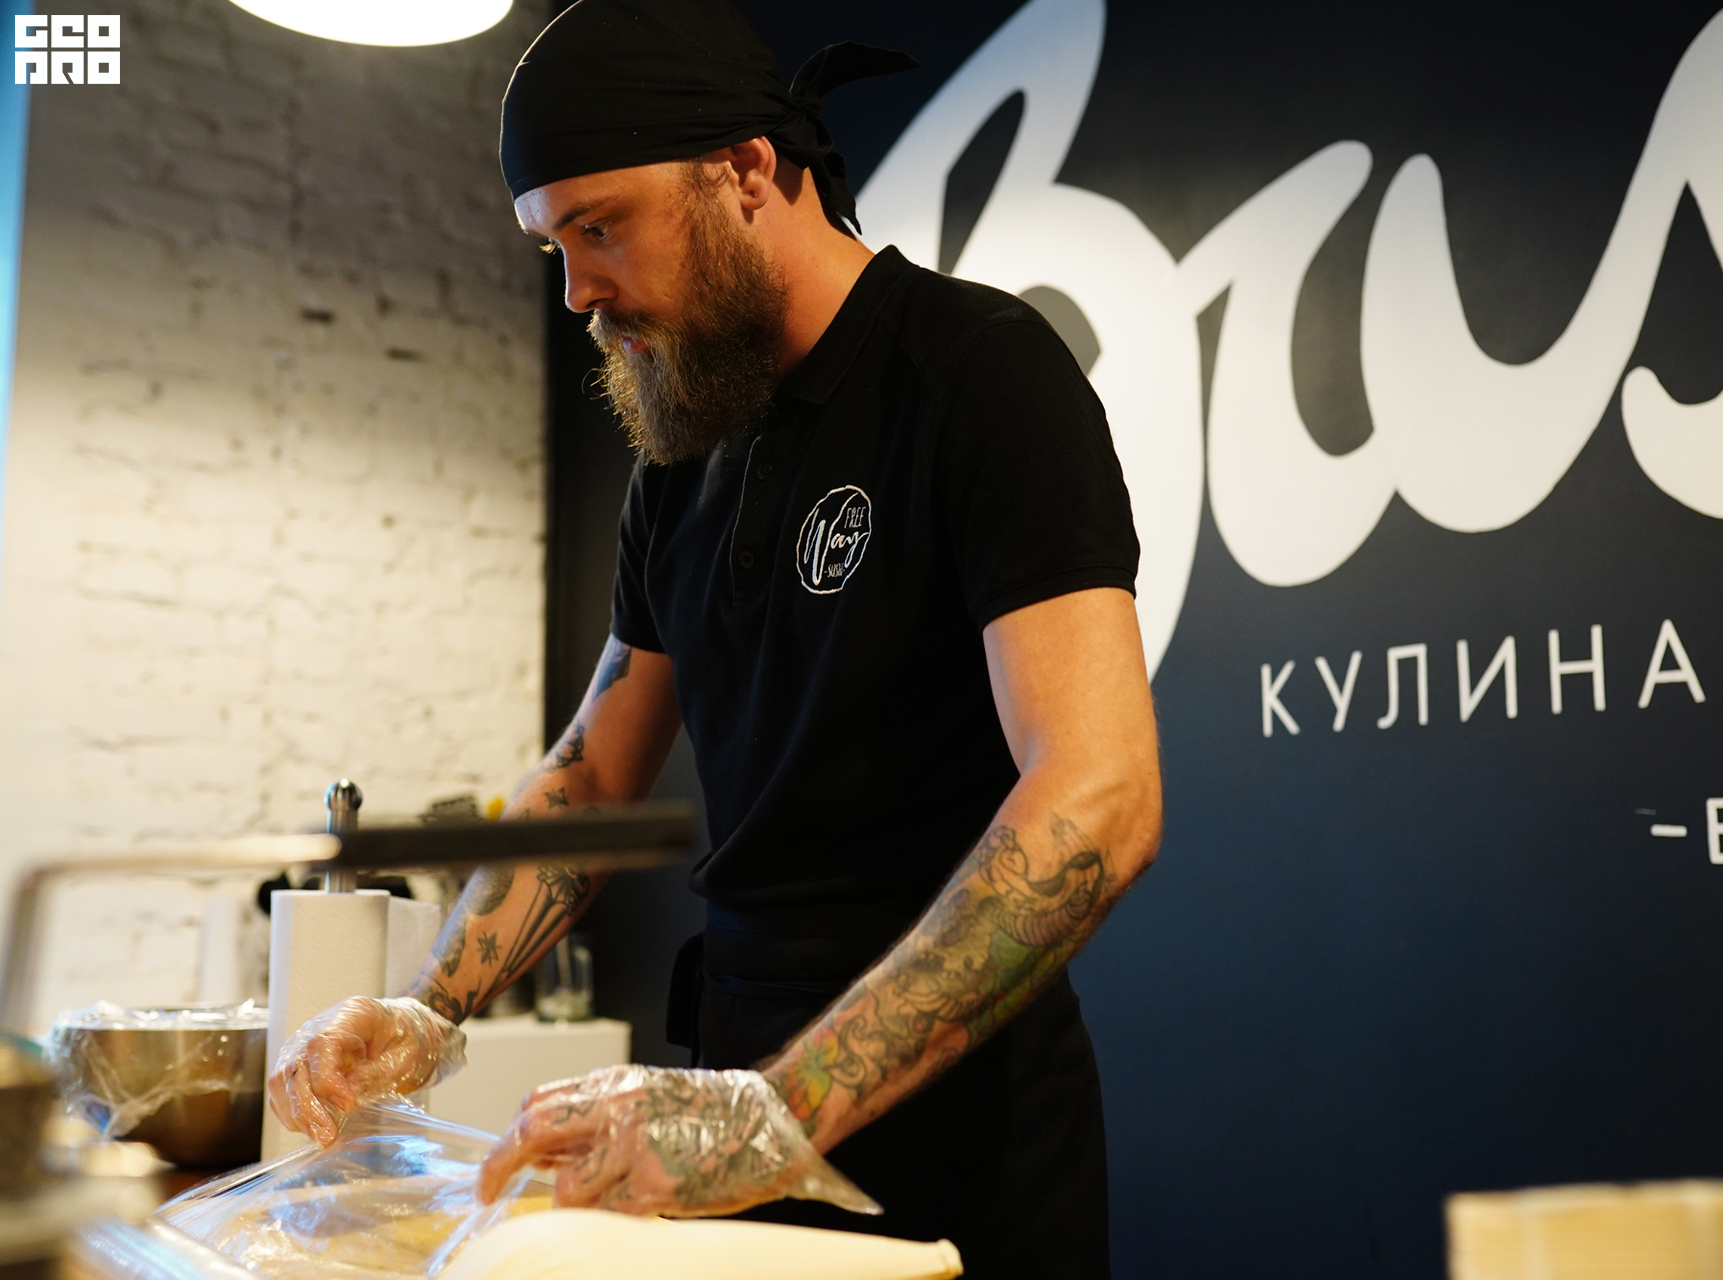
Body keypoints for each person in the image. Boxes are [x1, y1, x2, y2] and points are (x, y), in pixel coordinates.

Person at [266, 2, 1161, 1275]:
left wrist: (783, 1108)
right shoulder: (683, 451)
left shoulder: (981, 373)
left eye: (599, 227)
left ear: (745, 171)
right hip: (718, 1109)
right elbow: (593, 774)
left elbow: (1101, 793)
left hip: (959, 1136)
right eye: (552, 245)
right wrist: (425, 1008)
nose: (575, 290)